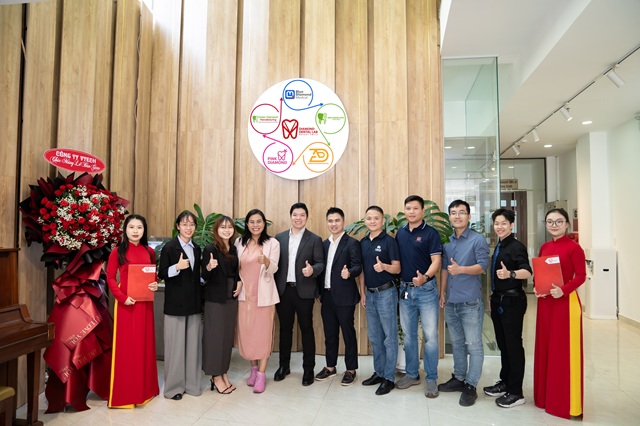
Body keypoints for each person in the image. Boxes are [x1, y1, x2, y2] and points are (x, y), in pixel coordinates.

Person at [534, 208, 586, 420]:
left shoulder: (574, 248)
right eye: (550, 222)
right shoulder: (544, 247)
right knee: (546, 348)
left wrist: (563, 290)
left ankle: (564, 403)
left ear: (566, 224)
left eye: (558, 221)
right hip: (546, 303)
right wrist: (538, 287)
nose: (554, 225)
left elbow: (581, 276)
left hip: (565, 304)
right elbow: (541, 273)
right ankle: (544, 398)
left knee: (562, 353)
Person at [438, 199, 489, 407]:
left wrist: (461, 270)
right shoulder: (448, 243)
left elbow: (483, 266)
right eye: (453, 212)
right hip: (451, 301)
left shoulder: (477, 240)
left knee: (474, 345)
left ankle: (471, 385)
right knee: (457, 343)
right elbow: (444, 269)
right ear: (449, 216)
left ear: (469, 216)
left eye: (461, 212)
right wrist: (442, 292)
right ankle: (459, 378)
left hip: (470, 302)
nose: (457, 216)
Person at [106, 214, 159, 408]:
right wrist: (121, 297)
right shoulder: (117, 251)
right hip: (126, 304)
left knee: (144, 345)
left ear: (144, 230)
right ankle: (126, 395)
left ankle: (145, 391)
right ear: (125, 230)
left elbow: (152, 274)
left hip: (145, 303)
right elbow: (110, 277)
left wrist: (154, 284)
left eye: (139, 227)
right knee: (127, 348)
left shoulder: (149, 251)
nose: (135, 231)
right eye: (131, 227)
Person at [483, 208, 531, 408]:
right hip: (499, 300)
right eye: (497, 223)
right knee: (503, 345)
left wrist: (510, 274)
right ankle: (505, 382)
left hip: (513, 302)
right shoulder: (501, 244)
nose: (499, 227)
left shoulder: (516, 246)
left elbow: (527, 271)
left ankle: (516, 392)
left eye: (504, 223)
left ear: (512, 225)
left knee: (513, 346)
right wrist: (493, 296)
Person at [395, 195, 442, 398]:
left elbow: (436, 261)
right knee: (409, 335)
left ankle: (431, 378)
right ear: (404, 211)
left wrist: (425, 277)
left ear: (422, 211)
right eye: (408, 208)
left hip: (426, 290)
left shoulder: (431, 233)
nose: (411, 211)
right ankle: (412, 374)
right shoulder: (400, 233)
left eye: (415, 208)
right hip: (405, 291)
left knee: (430, 336)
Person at [274, 202, 325, 386]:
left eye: (302, 215)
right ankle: (284, 366)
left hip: (304, 291)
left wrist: (313, 270)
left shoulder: (314, 239)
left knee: (307, 329)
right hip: (284, 291)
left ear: (307, 217)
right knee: (285, 329)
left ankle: (308, 369)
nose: (298, 218)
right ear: (290, 217)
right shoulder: (279, 238)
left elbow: (320, 263)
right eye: (295, 215)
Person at [158, 211, 203, 400]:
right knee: (175, 349)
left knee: (193, 347)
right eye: (184, 224)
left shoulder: (197, 248)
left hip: (194, 304)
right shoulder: (170, 247)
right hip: (175, 305)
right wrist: (176, 267)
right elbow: (161, 273)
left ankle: (192, 385)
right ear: (178, 226)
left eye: (191, 224)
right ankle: (174, 388)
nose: (188, 228)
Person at [315, 207, 362, 386]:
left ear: (343, 222)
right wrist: (319, 291)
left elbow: (358, 266)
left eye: (337, 220)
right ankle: (330, 367)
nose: (333, 224)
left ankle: (351, 369)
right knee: (330, 333)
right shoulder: (324, 244)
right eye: (330, 221)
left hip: (345, 296)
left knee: (348, 333)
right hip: (327, 296)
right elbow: (321, 270)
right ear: (327, 222)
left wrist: (349, 273)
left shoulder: (352, 243)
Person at [235, 209, 280, 393]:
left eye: (259, 221)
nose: (255, 225)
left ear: (264, 223)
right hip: (244, 296)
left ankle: (261, 374)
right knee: (248, 334)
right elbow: (235, 268)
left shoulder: (272, 243)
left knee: (262, 335)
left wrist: (267, 262)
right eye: (252, 222)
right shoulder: (239, 242)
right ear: (247, 224)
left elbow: (275, 268)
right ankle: (253, 369)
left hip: (264, 297)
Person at [359, 205, 401, 396]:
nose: (372, 221)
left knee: (389, 338)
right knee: (375, 337)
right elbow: (361, 271)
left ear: (383, 221)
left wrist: (384, 266)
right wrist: (362, 293)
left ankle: (389, 378)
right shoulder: (362, 242)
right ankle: (379, 372)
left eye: (376, 218)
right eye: (369, 218)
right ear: (365, 221)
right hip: (370, 294)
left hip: (386, 294)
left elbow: (397, 268)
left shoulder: (389, 241)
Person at [201, 216, 243, 394]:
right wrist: (209, 268)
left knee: (226, 337)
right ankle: (215, 375)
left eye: (229, 227)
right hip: (215, 299)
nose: (227, 230)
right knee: (215, 337)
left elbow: (236, 272)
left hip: (230, 297)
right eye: (223, 227)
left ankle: (223, 372)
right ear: (216, 230)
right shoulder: (210, 249)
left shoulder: (233, 248)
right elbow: (204, 276)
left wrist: (239, 281)